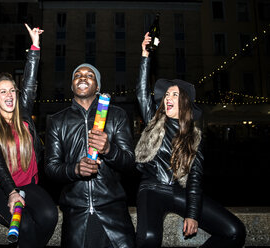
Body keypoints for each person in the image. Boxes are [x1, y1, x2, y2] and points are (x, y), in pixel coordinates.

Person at [134, 33, 246, 248]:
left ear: (184, 102)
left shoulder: (194, 136)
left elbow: (195, 179)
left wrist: (192, 214)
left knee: (235, 231)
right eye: (167, 95)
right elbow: (141, 92)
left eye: (174, 95)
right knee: (148, 238)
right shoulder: (153, 120)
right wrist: (144, 55)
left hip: (179, 191)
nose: (168, 98)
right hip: (152, 188)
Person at [0, 24, 58, 248]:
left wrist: (35, 46)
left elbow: (30, 85)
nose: (9, 95)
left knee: (50, 217)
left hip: (28, 184)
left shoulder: (23, 118)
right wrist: (12, 193)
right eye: (3, 91)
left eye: (12, 90)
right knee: (26, 226)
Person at [45, 63, 136, 248]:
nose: (83, 77)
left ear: (98, 86)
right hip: (76, 216)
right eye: (77, 75)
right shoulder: (57, 121)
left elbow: (130, 163)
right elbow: (51, 168)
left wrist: (110, 149)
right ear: (72, 86)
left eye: (90, 75)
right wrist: (75, 169)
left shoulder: (117, 115)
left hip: (114, 212)